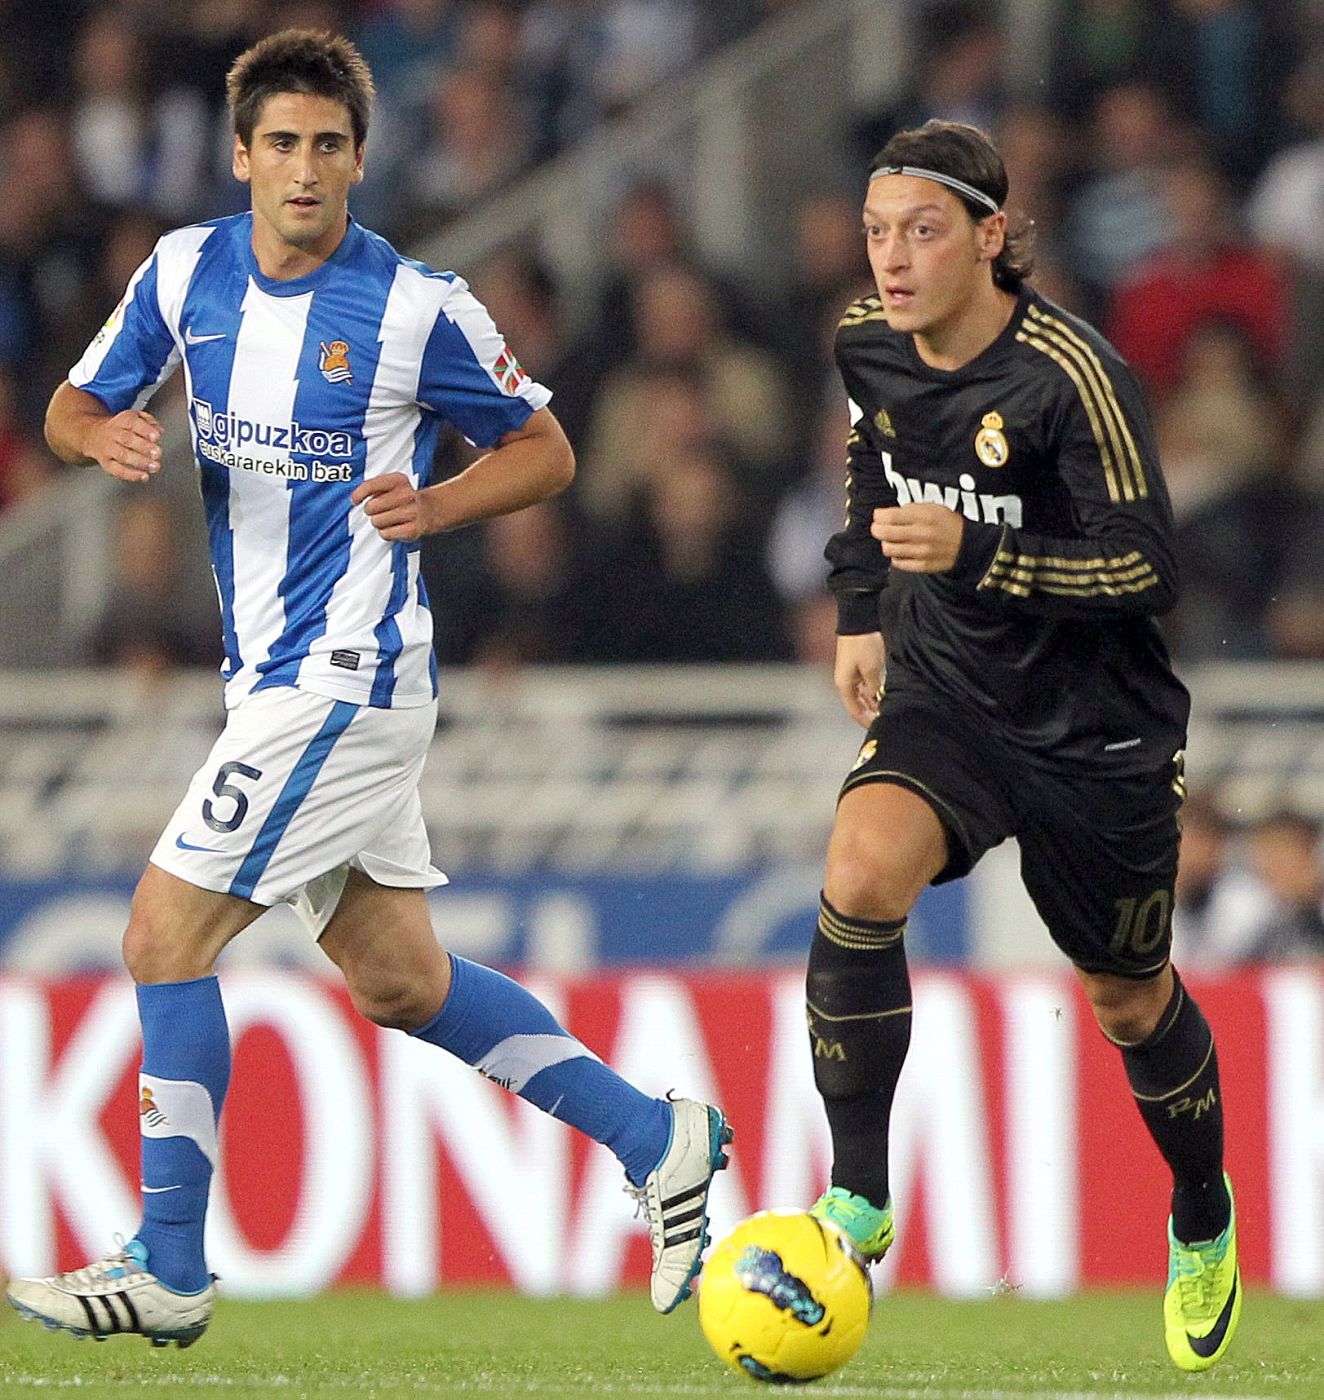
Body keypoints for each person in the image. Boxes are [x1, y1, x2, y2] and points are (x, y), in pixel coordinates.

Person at [4, 29, 730, 1348]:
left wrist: (439, 502)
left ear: (357, 159)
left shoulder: (414, 305)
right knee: (400, 982)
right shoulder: (181, 275)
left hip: (351, 675)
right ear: (238, 156)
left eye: (327, 145)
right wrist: (94, 430)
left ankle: (170, 1262)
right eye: (279, 143)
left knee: (162, 934)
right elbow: (63, 404)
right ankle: (659, 1136)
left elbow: (550, 451)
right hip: (267, 679)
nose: (302, 168)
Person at [804, 119, 1239, 1374]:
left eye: (922, 230)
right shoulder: (862, 342)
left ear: (992, 238)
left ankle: (1201, 1212)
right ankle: (860, 1194)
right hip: (949, 691)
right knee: (857, 870)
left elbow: (1149, 565)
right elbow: (864, 467)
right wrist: (856, 609)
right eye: (879, 229)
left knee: (1126, 995)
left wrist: (978, 551)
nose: (892, 257)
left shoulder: (1071, 375)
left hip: (1094, 732)